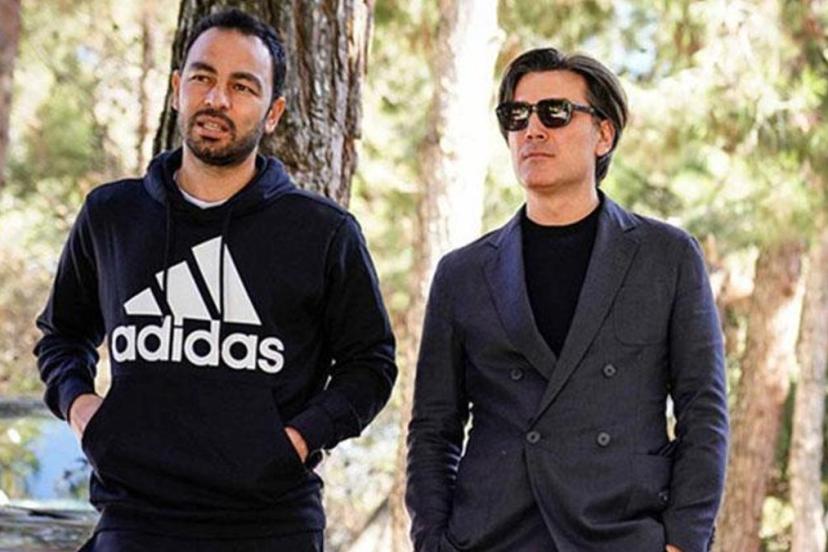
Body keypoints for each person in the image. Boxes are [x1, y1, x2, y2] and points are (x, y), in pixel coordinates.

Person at [35, 9, 396, 552]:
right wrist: (81, 407)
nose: (217, 99)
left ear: (273, 113)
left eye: (242, 86)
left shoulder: (322, 232)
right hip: (135, 521)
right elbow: (62, 335)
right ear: (176, 90)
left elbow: (370, 364)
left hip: (270, 527)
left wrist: (298, 440)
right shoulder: (112, 216)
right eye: (202, 77)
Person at [405, 47, 728, 552]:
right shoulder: (462, 273)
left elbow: (703, 411)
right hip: (493, 536)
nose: (532, 129)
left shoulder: (667, 257)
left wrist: (684, 541)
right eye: (516, 115)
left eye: (554, 113)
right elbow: (433, 427)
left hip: (621, 532)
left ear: (604, 134)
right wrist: (432, 541)